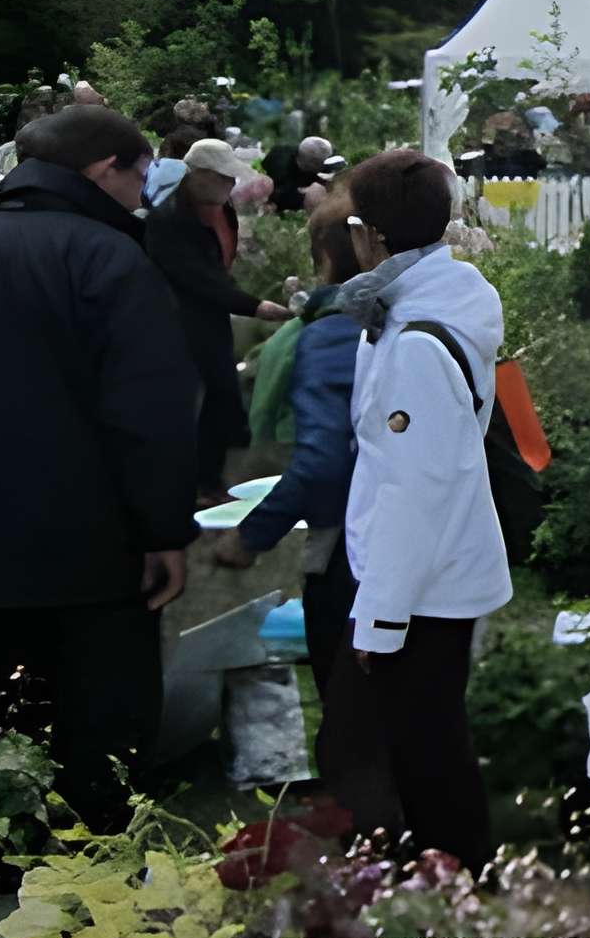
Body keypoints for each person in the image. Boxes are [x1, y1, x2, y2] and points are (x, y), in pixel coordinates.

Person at [0, 105, 199, 828]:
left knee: (1, 717)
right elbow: (148, 412)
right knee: (98, 727)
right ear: (104, 171)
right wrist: (164, 532)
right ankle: (94, 873)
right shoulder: (110, 258)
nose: (142, 193)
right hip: (91, 552)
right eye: (140, 176)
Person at [334, 149, 510, 875]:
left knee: (427, 755)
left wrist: (380, 617)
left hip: (422, 583)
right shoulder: (435, 303)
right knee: (431, 743)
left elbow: (414, 489)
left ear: (367, 235)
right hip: (431, 571)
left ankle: (458, 899)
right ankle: (454, 891)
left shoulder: (414, 341)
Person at [210, 196, 394, 829]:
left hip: (352, 546)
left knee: (350, 716)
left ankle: (369, 860)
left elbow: (322, 462)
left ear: (323, 258)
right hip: (429, 540)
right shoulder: (422, 316)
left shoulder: (333, 333)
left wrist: (251, 536)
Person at [143, 138, 290, 498]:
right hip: (181, 317)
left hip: (212, 313)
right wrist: (255, 306)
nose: (231, 186)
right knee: (198, 397)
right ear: (200, 175)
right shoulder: (170, 220)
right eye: (224, 178)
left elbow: (218, 267)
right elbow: (196, 279)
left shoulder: (220, 210)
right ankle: (191, 483)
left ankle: (208, 478)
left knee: (221, 393)